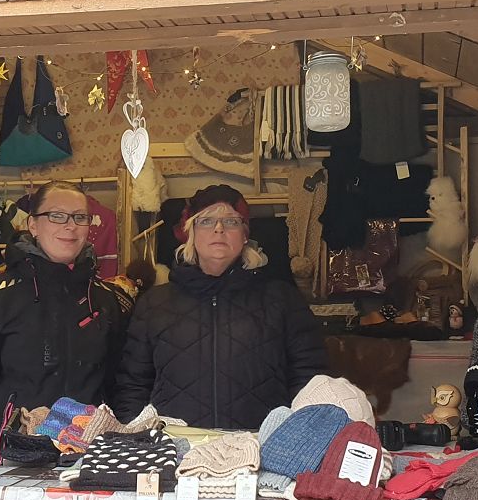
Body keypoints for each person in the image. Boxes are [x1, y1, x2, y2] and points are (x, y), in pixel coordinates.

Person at [114, 184, 326, 430]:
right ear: (190, 233)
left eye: (231, 221)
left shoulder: (283, 300)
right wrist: (135, 438)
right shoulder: (154, 305)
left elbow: (310, 379)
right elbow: (133, 386)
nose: (219, 229)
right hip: (176, 446)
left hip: (261, 445)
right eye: (206, 221)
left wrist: (298, 437)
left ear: (245, 234)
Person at [0, 181, 127, 463]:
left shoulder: (104, 299)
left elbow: (121, 384)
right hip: (12, 458)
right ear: (33, 225)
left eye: (80, 217)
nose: (70, 226)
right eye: (57, 216)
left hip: (88, 457)